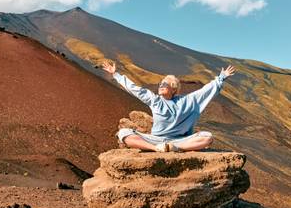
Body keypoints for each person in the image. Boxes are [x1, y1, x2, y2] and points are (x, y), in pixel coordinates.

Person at [101, 61, 236, 152]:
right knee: (124, 133)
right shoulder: (155, 100)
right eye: (160, 84)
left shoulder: (187, 101)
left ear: (173, 88)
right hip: (156, 140)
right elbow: (135, 89)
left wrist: (221, 77)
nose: (161, 86)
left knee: (207, 137)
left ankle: (175, 148)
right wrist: (116, 74)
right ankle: (157, 149)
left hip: (179, 141)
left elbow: (205, 91)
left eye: (165, 84)